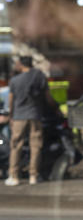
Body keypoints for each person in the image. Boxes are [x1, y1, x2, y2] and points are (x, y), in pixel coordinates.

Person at [5, 55, 49, 186]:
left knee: (15, 146)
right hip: (35, 115)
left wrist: (11, 116)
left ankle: (14, 175)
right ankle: (33, 176)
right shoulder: (39, 76)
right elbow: (47, 96)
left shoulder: (14, 80)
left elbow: (11, 100)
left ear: (21, 64)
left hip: (19, 116)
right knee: (35, 146)